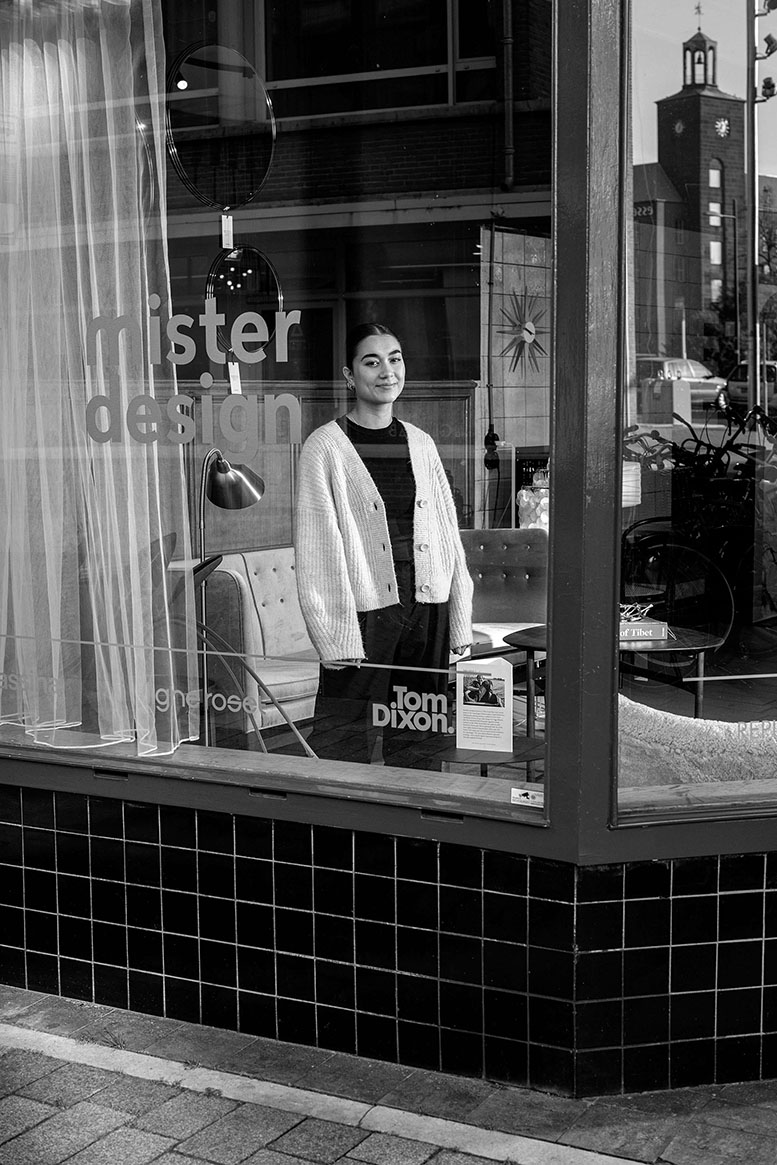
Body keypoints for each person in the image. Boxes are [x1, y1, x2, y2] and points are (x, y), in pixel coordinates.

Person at [294, 322, 473, 764]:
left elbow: (447, 535)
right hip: (364, 608)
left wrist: (458, 616)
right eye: (372, 362)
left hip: (427, 603)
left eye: (395, 359)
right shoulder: (325, 447)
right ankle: (337, 810)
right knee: (342, 739)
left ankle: (415, 811)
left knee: (421, 737)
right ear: (350, 375)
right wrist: (333, 634)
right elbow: (317, 548)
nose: (387, 371)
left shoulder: (421, 443)